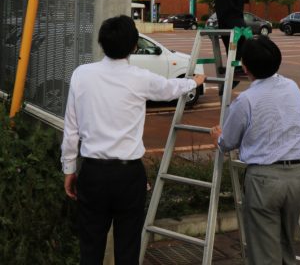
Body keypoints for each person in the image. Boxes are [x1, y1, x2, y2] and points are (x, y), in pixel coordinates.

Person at [61, 14, 205, 265]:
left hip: (92, 172)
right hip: (129, 176)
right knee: (128, 248)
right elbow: (170, 87)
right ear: (134, 46)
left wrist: (69, 169)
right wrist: (193, 82)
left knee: (90, 248)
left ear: (102, 43)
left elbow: (71, 129)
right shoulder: (140, 77)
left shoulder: (81, 75)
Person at [210, 36, 300, 265]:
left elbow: (228, 142)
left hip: (264, 181)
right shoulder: (292, 87)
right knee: (286, 248)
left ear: (244, 67)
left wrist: (217, 137)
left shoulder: (246, 100)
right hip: (297, 177)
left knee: (264, 254)